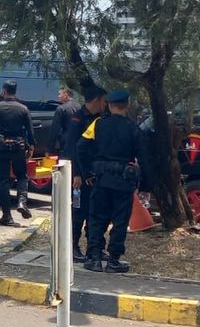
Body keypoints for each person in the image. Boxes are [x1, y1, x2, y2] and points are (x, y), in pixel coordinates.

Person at [78, 89, 147, 273]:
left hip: (100, 179)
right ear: (128, 104)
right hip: (124, 181)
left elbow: (81, 148)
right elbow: (144, 157)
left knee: (96, 219)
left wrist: (87, 173)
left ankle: (94, 258)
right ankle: (114, 261)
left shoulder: (98, 124)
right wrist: (145, 184)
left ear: (108, 104)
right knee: (120, 221)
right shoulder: (134, 128)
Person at [0, 80, 35, 227]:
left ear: (4, 91)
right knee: (22, 176)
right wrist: (31, 147)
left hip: (2, 144)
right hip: (19, 145)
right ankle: (22, 202)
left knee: (3, 180)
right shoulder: (23, 109)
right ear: (15, 91)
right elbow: (30, 130)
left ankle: (7, 216)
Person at [62, 85, 107, 263]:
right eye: (104, 100)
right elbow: (72, 147)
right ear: (96, 100)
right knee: (78, 211)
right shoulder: (78, 119)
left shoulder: (99, 118)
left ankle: (94, 248)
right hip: (79, 176)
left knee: (94, 212)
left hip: (93, 173)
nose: (106, 104)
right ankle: (72, 247)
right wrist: (77, 174)